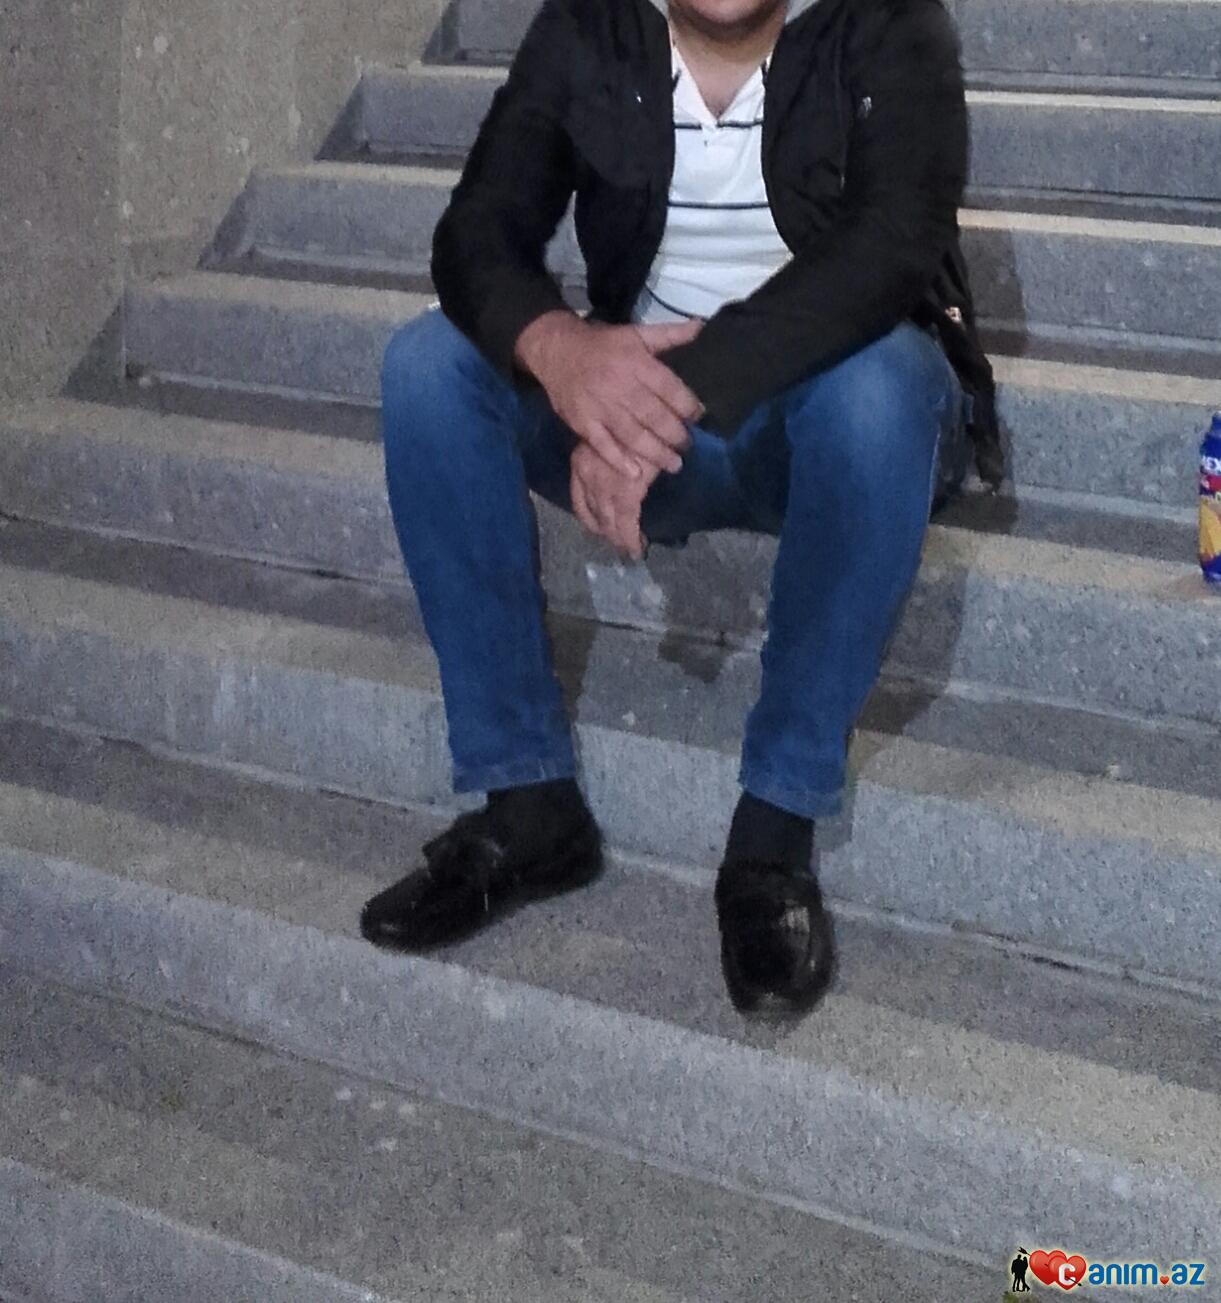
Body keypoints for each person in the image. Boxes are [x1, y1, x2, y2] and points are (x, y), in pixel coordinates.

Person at [360, 0, 1000, 1016]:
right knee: (429, 366)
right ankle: (528, 804)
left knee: (884, 386)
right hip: (656, 426)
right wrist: (564, 354)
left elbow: (893, 246)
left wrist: (677, 388)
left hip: (822, 420)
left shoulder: (885, 21)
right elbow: (478, 228)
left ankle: (773, 836)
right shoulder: (590, 28)